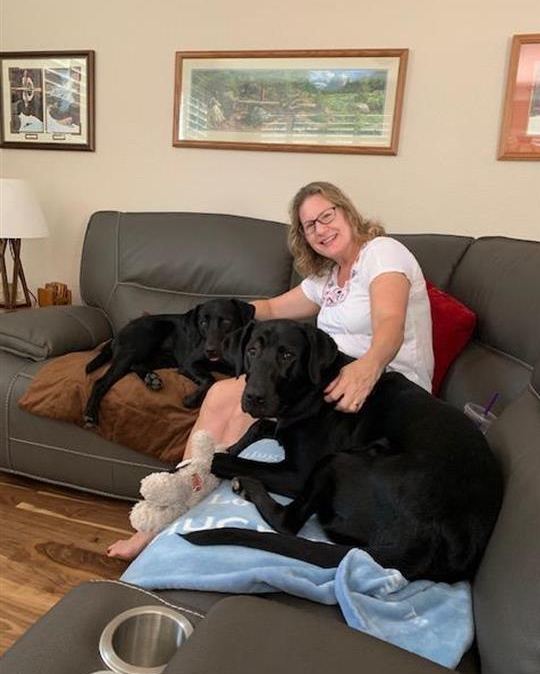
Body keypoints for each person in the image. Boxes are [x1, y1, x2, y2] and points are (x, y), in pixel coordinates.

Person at [107, 182, 434, 560]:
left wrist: (370, 366)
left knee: (229, 396)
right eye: (310, 225)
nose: (322, 229)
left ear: (347, 212)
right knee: (225, 394)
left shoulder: (382, 252)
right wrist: (212, 316)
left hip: (384, 390)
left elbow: (391, 321)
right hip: (329, 383)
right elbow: (273, 309)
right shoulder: (328, 276)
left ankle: (171, 509)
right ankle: (181, 498)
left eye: (327, 216)